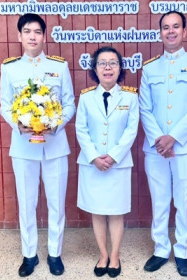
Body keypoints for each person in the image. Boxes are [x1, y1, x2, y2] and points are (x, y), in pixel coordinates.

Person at [0, 13, 75, 277]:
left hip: (55, 146)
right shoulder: (9, 68)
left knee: (56, 202)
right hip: (23, 147)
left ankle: (55, 253)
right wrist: (17, 125)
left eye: (38, 32)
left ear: (45, 36)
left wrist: (56, 124)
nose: (33, 36)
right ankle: (29, 255)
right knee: (27, 202)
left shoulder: (60, 66)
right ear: (19, 36)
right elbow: (5, 105)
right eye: (27, 31)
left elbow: (69, 103)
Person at [139, 11, 187, 277]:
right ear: (160, 33)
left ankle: (181, 250)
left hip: (186, 146)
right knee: (159, 200)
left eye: (176, 27)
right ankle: (160, 249)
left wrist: (173, 138)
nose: (171, 31)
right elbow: (145, 109)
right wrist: (160, 140)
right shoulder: (149, 68)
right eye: (166, 27)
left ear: (184, 31)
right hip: (155, 148)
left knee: (183, 199)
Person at [75, 46, 139, 278]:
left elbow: (131, 131)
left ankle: (115, 255)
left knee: (116, 212)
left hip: (118, 164)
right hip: (92, 164)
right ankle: (102, 255)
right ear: (95, 68)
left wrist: (112, 156)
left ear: (120, 68)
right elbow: (80, 129)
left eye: (113, 63)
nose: (108, 67)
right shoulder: (85, 97)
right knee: (98, 211)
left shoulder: (130, 97)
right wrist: (94, 157)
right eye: (102, 63)